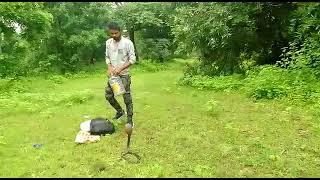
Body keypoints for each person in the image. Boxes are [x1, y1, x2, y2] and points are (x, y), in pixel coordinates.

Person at [104, 22, 136, 127]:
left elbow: (132, 60)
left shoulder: (127, 43)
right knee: (109, 95)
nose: (114, 36)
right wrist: (109, 67)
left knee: (126, 97)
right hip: (113, 76)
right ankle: (119, 111)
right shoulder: (108, 43)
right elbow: (107, 57)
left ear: (120, 32)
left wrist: (121, 68)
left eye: (116, 33)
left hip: (124, 75)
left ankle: (130, 119)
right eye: (111, 34)